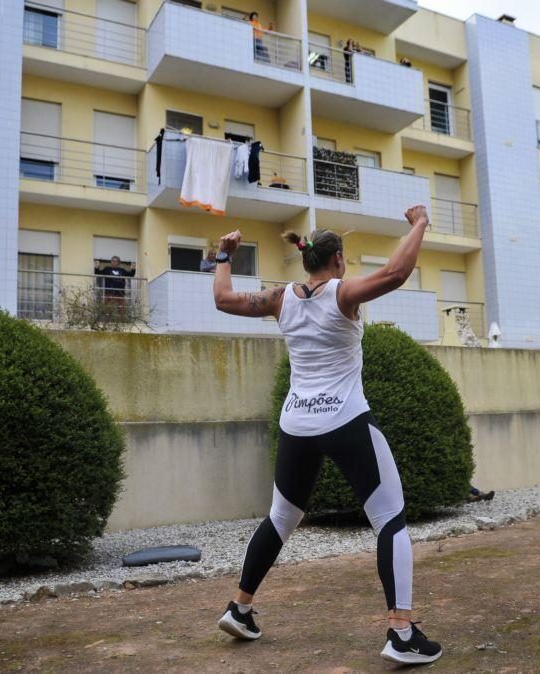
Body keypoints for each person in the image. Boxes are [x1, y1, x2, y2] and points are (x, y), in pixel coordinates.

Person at [211, 205, 443, 665]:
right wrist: (419, 223)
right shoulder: (343, 294)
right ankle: (401, 631)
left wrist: (224, 254)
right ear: (337, 260)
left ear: (305, 259)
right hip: (343, 420)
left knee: (281, 516)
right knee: (390, 516)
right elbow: (397, 272)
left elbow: (223, 299)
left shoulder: (281, 299)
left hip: (297, 423)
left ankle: (240, 607)